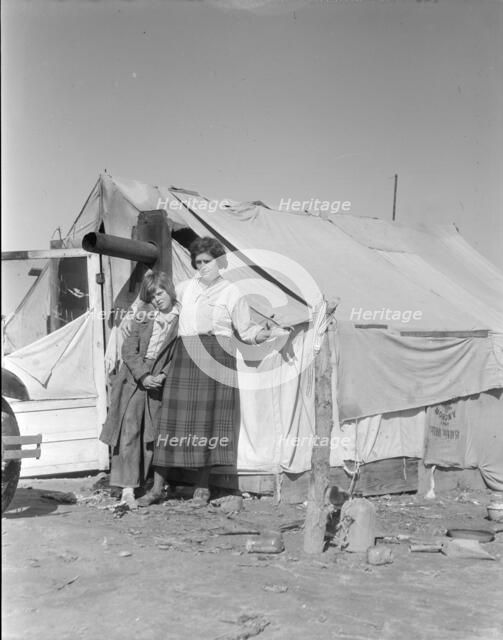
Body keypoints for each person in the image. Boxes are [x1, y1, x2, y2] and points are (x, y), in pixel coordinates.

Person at [139, 237, 271, 507]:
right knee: (171, 422)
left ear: (219, 262)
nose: (202, 266)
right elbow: (161, 304)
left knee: (208, 424)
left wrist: (265, 334)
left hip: (217, 355)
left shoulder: (233, 292)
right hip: (186, 353)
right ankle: (157, 488)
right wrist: (131, 321)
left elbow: (246, 331)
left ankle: (202, 488)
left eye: (207, 261)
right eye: (197, 262)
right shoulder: (185, 288)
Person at [100, 270, 178, 509]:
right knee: (130, 429)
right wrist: (143, 375)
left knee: (152, 434)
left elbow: (181, 354)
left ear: (170, 291)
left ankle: (146, 482)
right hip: (136, 376)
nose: (157, 299)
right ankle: (127, 488)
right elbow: (128, 350)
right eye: (153, 295)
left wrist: (163, 374)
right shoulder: (143, 315)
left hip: (161, 379)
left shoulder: (181, 319)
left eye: (161, 293)